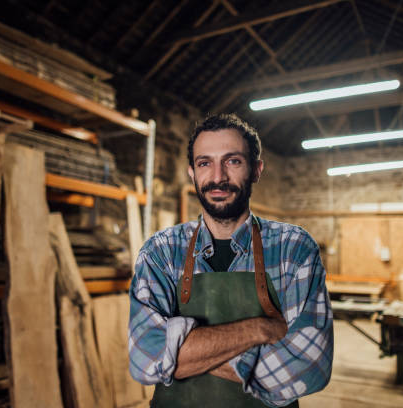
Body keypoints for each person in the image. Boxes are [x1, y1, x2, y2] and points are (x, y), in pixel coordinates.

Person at [128, 113, 333, 407]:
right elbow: (144, 360)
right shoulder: (160, 251)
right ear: (192, 172)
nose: (217, 177)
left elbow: (308, 367)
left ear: (256, 170)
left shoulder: (294, 248)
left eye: (233, 161)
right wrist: (259, 330)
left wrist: (179, 355)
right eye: (204, 163)